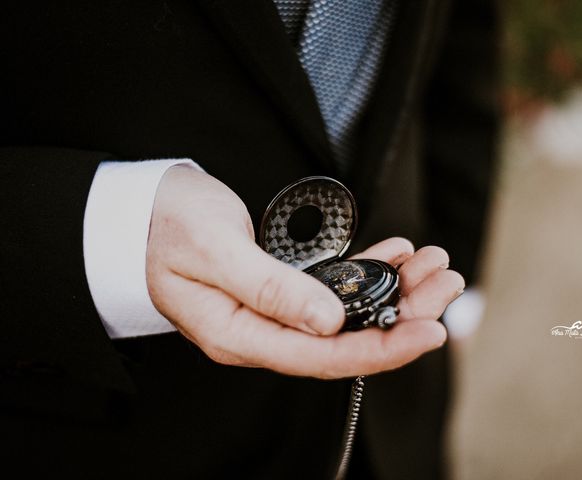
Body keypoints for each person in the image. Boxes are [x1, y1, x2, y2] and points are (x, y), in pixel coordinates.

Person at [0, 0, 498, 478]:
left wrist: (461, 284)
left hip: (394, 416)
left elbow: (461, 47)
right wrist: (119, 233)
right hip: (113, 428)